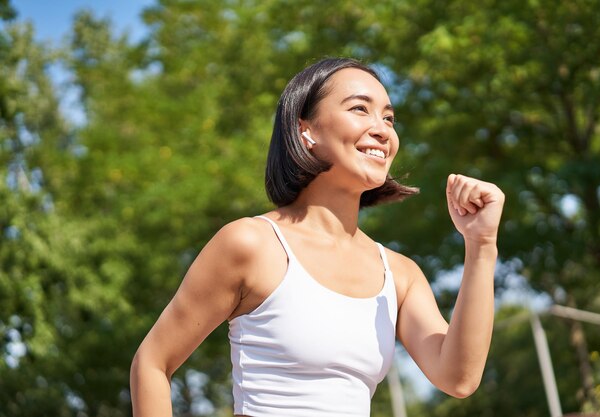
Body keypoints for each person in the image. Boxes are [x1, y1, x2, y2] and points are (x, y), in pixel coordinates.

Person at [130, 57, 505, 417]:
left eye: (389, 117)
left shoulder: (400, 275)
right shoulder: (252, 244)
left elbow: (459, 378)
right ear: (305, 129)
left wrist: (481, 246)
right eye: (360, 109)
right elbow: (152, 363)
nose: (382, 128)